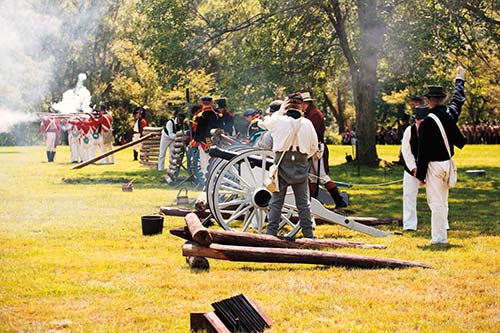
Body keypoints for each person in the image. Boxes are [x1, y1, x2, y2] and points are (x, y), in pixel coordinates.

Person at [416, 66, 467, 245]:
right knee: (443, 202)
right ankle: (442, 233)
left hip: (434, 166)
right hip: (447, 163)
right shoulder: (449, 114)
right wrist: (459, 80)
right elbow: (458, 100)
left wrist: (420, 176)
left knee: (436, 203)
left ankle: (439, 239)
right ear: (442, 99)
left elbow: (422, 153)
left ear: (429, 101)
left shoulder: (426, 123)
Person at [258, 92, 318, 238]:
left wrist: (280, 110)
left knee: (276, 202)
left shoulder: (278, 120)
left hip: (282, 163)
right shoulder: (308, 123)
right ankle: (308, 235)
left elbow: (262, 123)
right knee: (303, 204)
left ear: (287, 105)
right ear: (301, 107)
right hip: (301, 163)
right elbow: (313, 147)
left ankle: (271, 234)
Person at [302, 92, 347, 209]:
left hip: (316, 147)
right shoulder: (309, 114)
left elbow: (314, 133)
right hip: (311, 148)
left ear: (305, 103)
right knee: (312, 176)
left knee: (322, 176)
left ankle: (340, 201)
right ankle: (313, 202)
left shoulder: (315, 114)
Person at [401, 105, 429, 231]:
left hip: (430, 167)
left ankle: (441, 224)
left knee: (435, 197)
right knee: (409, 196)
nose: (420, 122)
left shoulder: (432, 131)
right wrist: (414, 169)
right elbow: (406, 152)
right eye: (418, 120)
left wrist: (424, 170)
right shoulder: (409, 131)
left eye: (423, 120)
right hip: (411, 169)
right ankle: (409, 225)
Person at [191, 96, 223, 177]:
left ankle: (206, 177)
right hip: (214, 139)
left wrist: (196, 139)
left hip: (204, 140)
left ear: (202, 103)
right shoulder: (216, 115)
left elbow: (199, 129)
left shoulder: (201, 115)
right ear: (211, 102)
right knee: (213, 158)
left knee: (204, 159)